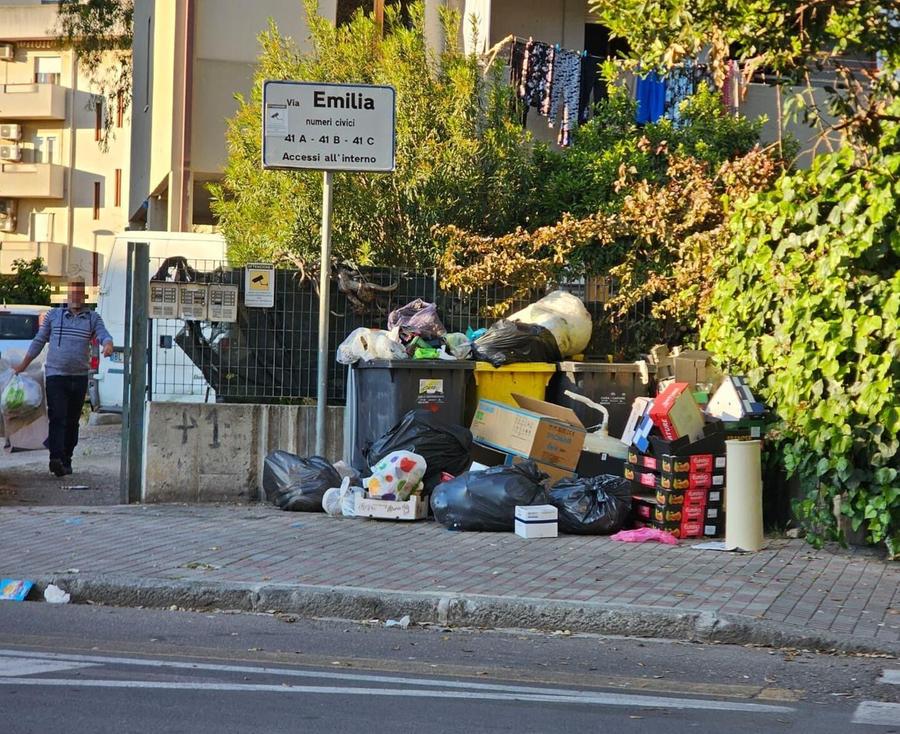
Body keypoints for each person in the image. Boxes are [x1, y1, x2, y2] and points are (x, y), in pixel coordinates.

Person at [13, 279, 114, 477]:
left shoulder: (92, 318)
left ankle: (67, 458)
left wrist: (107, 344)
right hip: (55, 375)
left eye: (79, 294)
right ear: (67, 296)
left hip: (78, 377)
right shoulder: (54, 316)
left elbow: (104, 335)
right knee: (57, 417)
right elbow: (39, 341)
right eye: (72, 293)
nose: (75, 297)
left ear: (84, 297)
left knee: (72, 420)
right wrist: (22, 366)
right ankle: (55, 458)